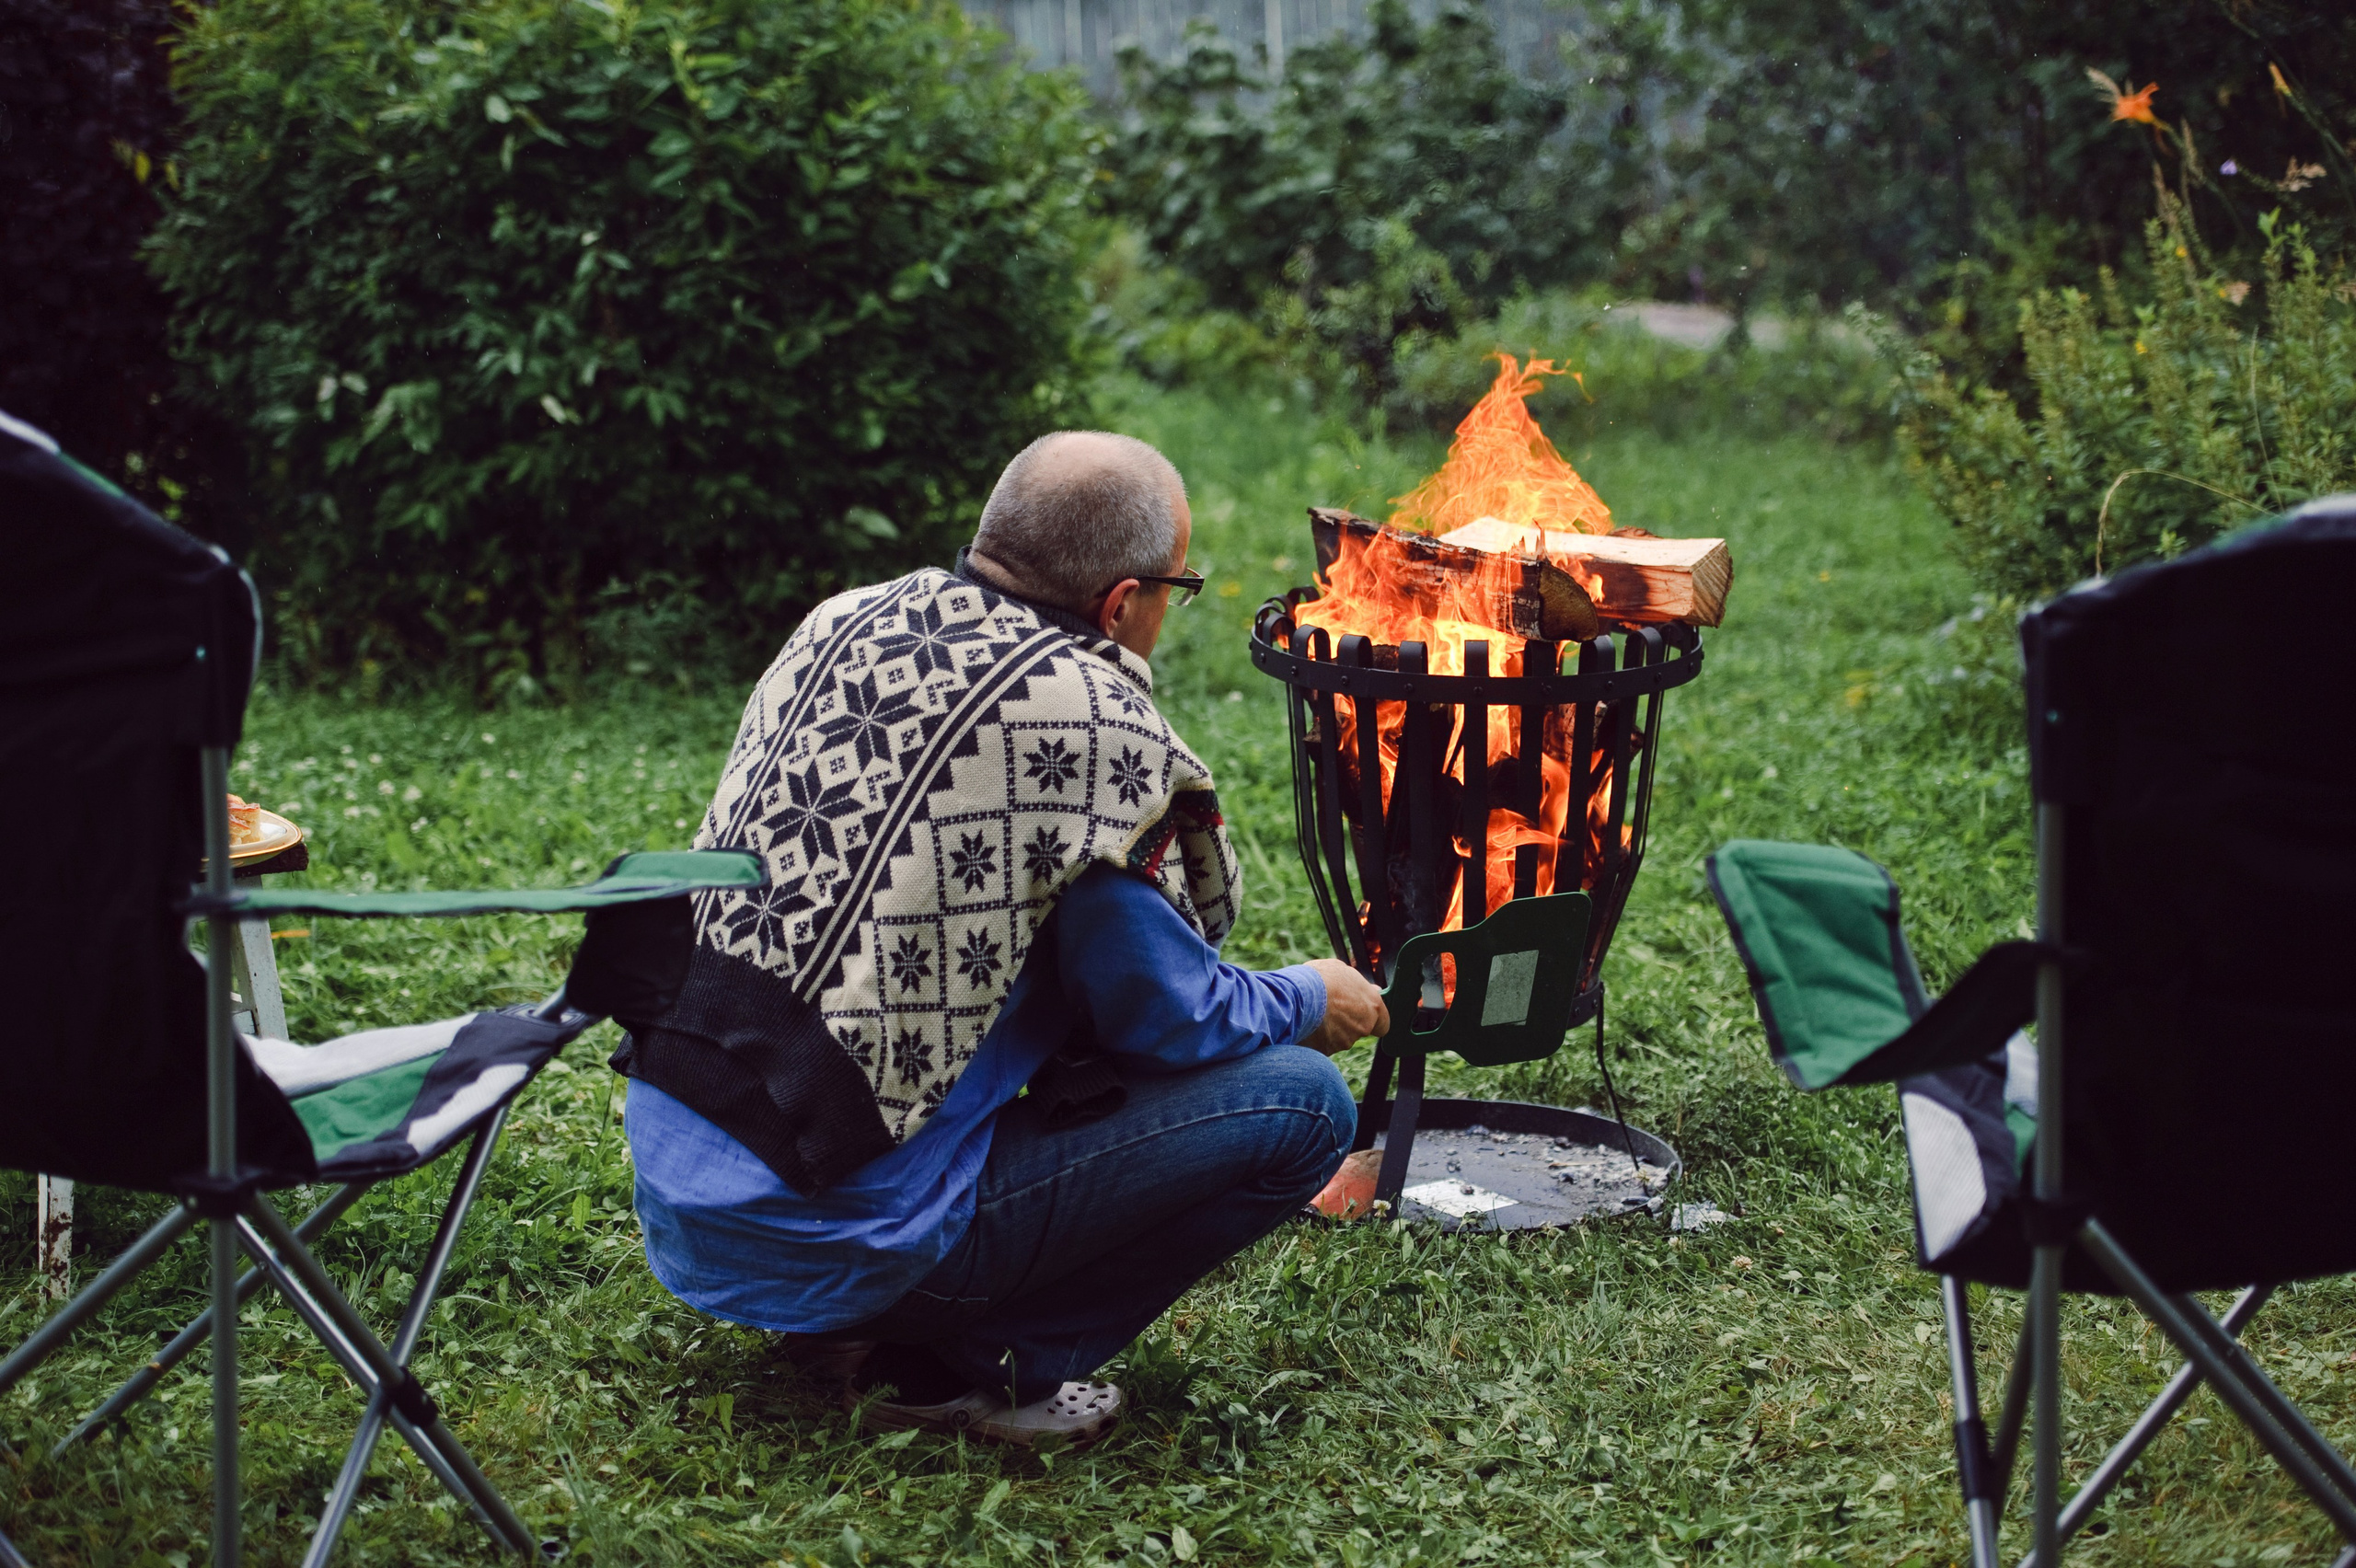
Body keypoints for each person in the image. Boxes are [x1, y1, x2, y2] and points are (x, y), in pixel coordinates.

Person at [612, 431, 1391, 1446]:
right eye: (1177, 589)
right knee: (1301, 1101)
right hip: (832, 1242)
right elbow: (1165, 1020)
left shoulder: (843, 620)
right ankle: (947, 1367)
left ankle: (847, 1315)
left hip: (686, 1205)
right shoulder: (1083, 725)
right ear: (1122, 602)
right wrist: (1308, 995)